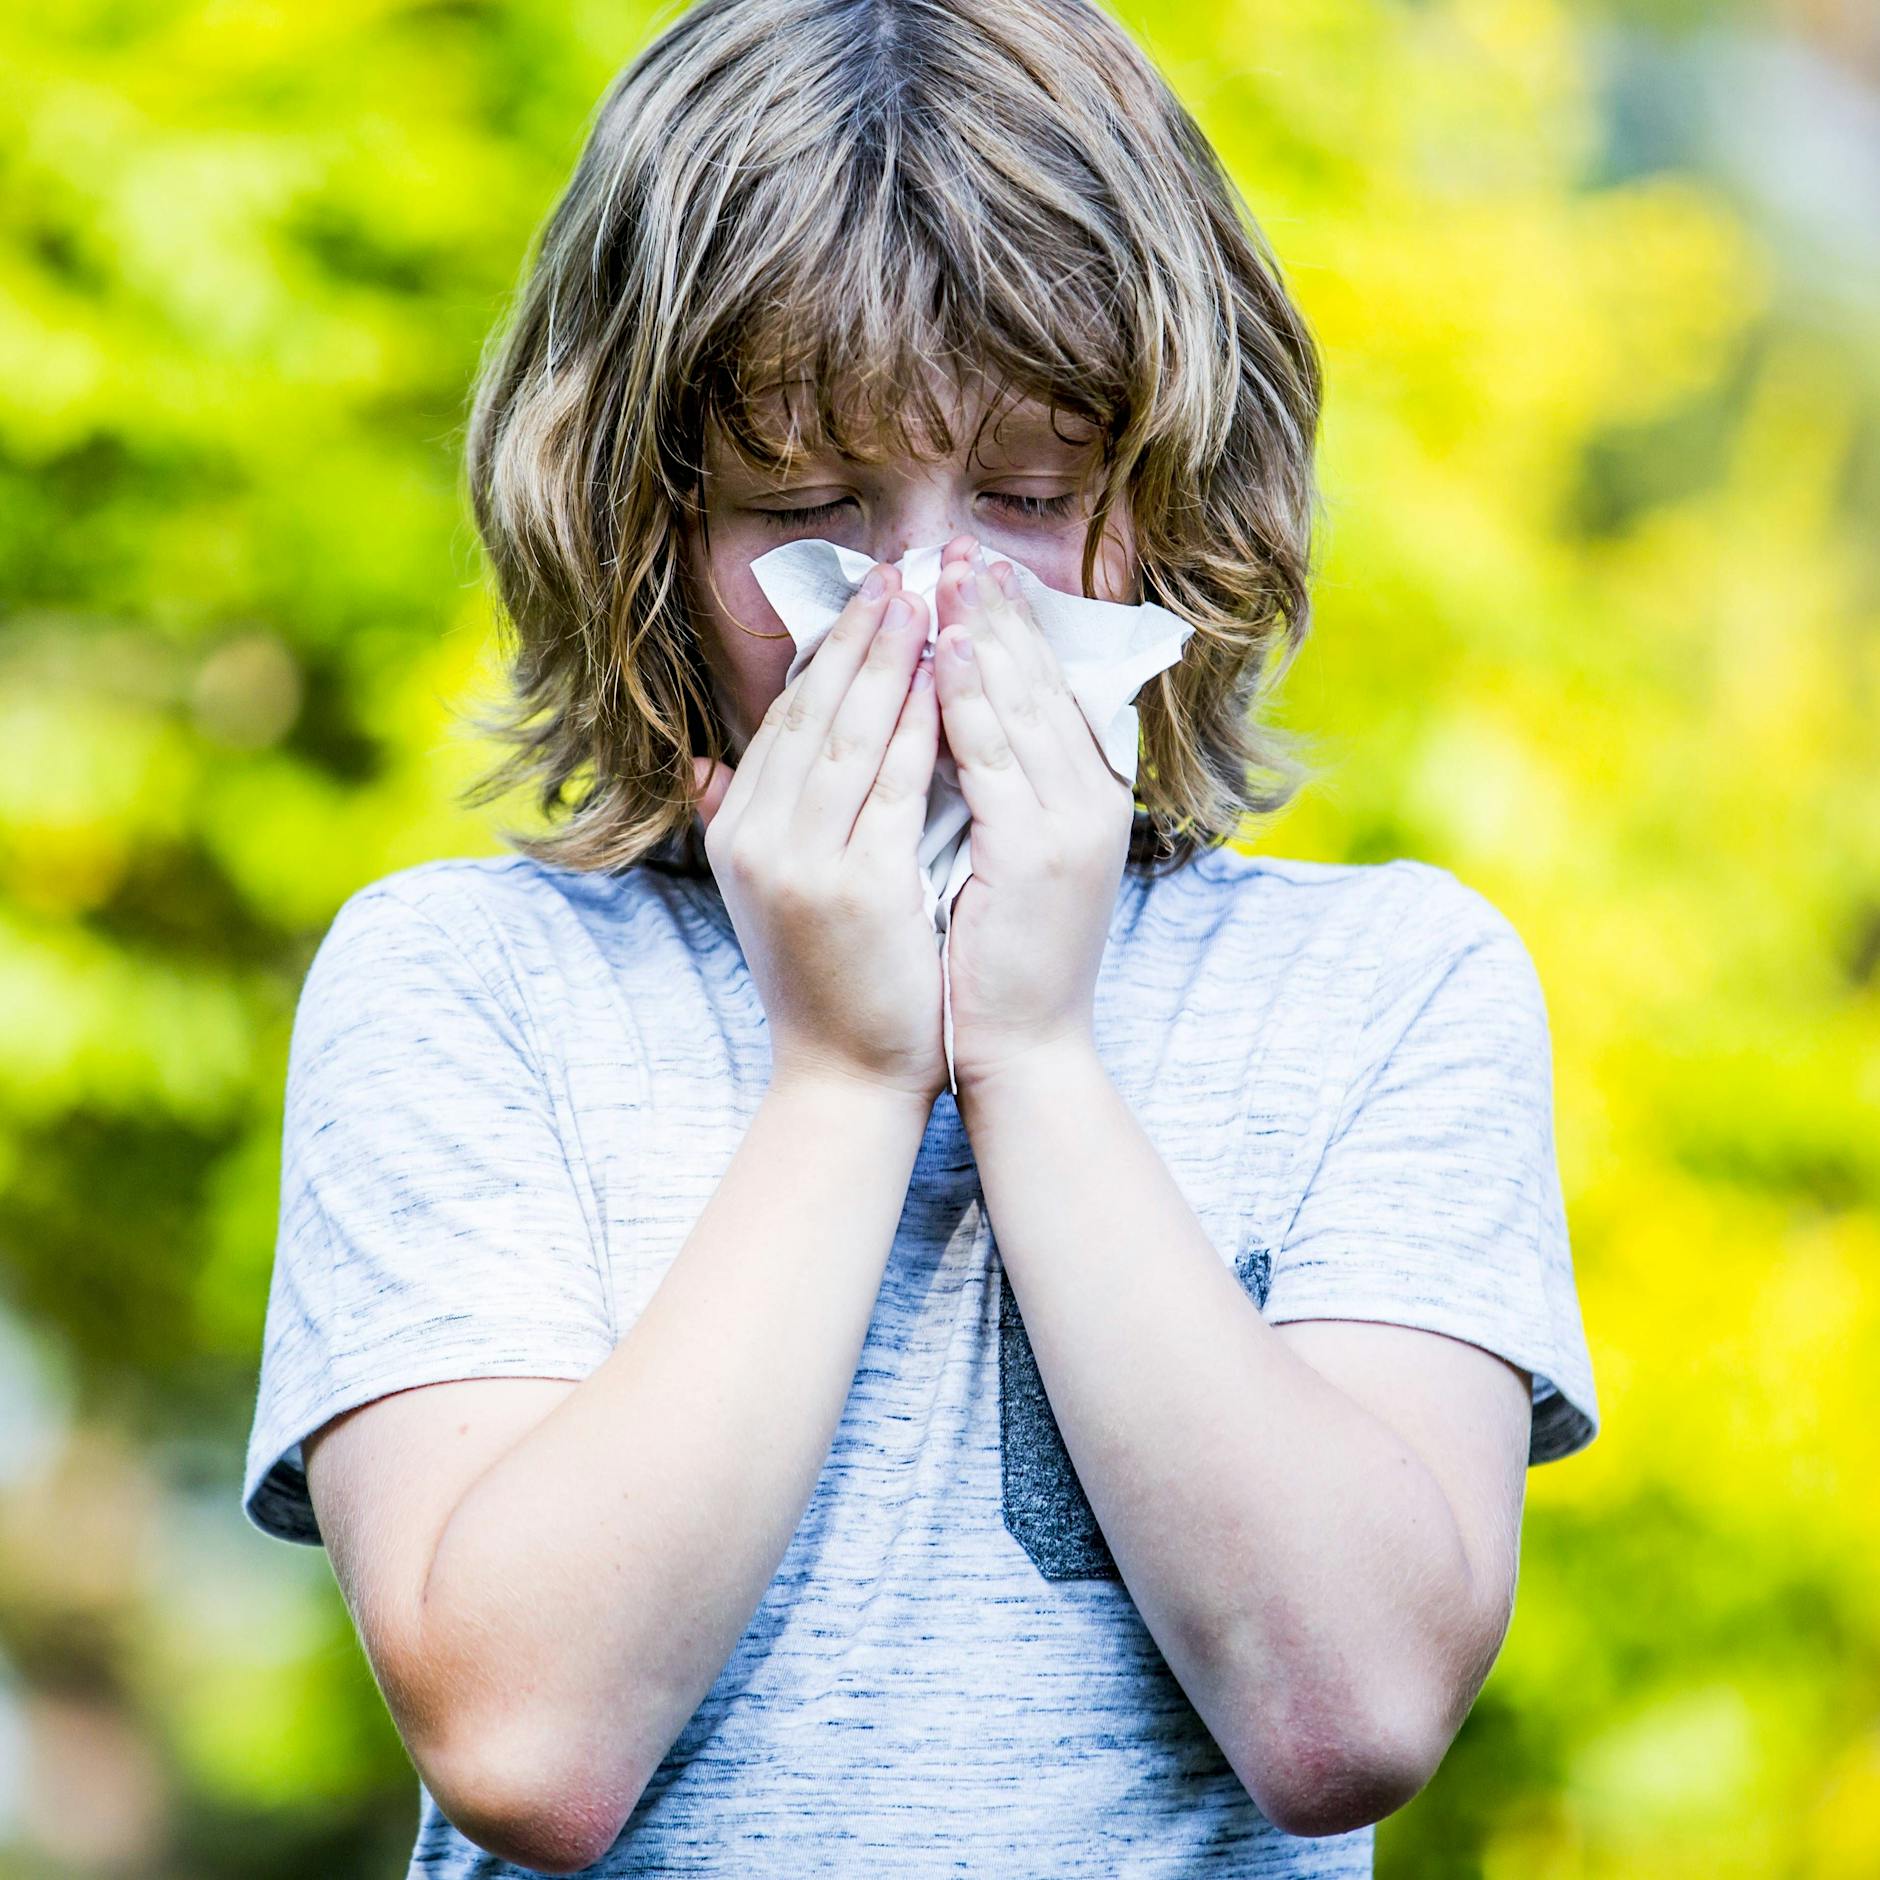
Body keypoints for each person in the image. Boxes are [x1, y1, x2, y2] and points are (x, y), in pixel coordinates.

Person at [240, 0, 1601, 1873]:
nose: (939, 604)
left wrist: (1031, 1054)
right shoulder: (468, 987)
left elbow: (1349, 1713)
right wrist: (847, 1070)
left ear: (1175, 512)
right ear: (644, 539)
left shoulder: (1386, 989)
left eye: (1035, 501)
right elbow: (528, 1738)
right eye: (811, 510)